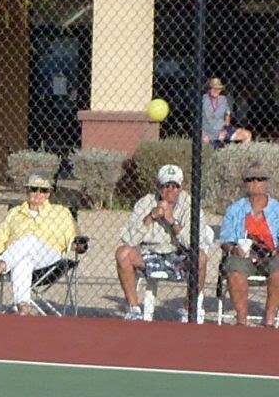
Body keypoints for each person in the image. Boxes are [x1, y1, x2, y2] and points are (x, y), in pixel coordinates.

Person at [115, 164, 210, 322]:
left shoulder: (191, 205)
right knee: (122, 253)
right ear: (158, 186)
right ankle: (134, 309)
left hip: (180, 255)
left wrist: (172, 221)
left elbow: (195, 243)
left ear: (181, 188)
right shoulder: (145, 202)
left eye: (174, 186)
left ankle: (188, 309)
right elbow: (128, 239)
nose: (170, 191)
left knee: (201, 257)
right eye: (165, 186)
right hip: (150, 255)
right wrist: (150, 217)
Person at [0, 173, 76, 316]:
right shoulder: (15, 213)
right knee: (24, 261)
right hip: (17, 259)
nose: (38, 193)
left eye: (43, 190)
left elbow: (71, 239)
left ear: (48, 194)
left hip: (50, 258)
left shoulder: (61, 212)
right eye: (34, 189)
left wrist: (78, 244)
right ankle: (24, 308)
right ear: (27, 191)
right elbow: (0, 241)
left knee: (30, 239)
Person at [219, 162, 279, 326]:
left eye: (259, 179)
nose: (255, 183)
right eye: (250, 179)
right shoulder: (235, 209)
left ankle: (269, 317)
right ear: (245, 183)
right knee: (235, 270)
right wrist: (234, 248)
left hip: (271, 254)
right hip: (245, 255)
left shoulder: (277, 209)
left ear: (266, 182)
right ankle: (242, 319)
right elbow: (225, 239)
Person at [202, 77, 252, 148]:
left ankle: (240, 155)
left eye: (218, 88)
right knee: (205, 140)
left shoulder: (223, 99)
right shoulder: (203, 100)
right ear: (209, 89)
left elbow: (227, 115)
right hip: (208, 130)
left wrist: (224, 129)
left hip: (222, 128)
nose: (216, 90)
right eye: (214, 88)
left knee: (247, 134)